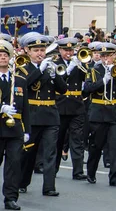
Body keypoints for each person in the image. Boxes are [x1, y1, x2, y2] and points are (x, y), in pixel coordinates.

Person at [18, 32, 68, 196]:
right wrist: (40, 70)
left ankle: (49, 187)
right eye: (36, 50)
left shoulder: (50, 66)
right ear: (27, 51)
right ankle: (22, 182)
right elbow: (25, 86)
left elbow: (63, 90)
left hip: (50, 115)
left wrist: (55, 76)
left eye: (42, 49)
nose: (40, 53)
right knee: (28, 152)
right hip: (32, 115)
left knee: (50, 152)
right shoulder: (23, 69)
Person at [83, 42, 116, 186]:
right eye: (103, 56)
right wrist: (104, 80)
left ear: (114, 56)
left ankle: (115, 177)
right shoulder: (93, 70)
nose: (106, 58)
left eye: (109, 55)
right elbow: (87, 89)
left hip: (115, 111)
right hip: (98, 111)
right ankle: (91, 172)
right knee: (96, 145)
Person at [0, 40, 30, 210]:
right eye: (0, 55)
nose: (3, 58)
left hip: (15, 129)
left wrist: (27, 131)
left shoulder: (19, 80)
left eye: (5, 55)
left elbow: (26, 108)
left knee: (14, 165)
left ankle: (10, 198)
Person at [54, 37, 88, 181]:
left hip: (76, 105)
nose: (69, 53)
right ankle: (53, 169)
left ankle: (78, 171)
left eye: (71, 50)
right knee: (58, 140)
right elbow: (59, 82)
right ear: (60, 50)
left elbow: (87, 78)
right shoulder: (55, 64)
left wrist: (81, 64)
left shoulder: (79, 63)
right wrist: (68, 69)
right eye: (66, 50)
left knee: (77, 140)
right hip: (60, 105)